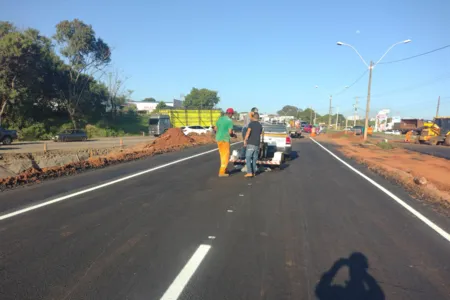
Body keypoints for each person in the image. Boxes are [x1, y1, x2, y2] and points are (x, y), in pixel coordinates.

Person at [214, 108, 236, 177]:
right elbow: (230, 132)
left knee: (222, 155)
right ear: (231, 114)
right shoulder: (229, 121)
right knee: (225, 155)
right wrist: (233, 135)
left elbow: (215, 128)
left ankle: (225, 169)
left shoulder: (220, 119)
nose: (232, 115)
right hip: (225, 140)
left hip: (218, 139)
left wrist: (219, 133)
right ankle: (222, 172)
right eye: (232, 114)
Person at [243, 112, 263, 178]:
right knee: (254, 159)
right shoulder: (260, 125)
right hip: (257, 144)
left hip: (251, 143)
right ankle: (254, 172)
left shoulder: (251, 124)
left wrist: (245, 140)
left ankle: (249, 172)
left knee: (248, 158)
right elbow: (260, 134)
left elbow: (248, 132)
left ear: (253, 117)